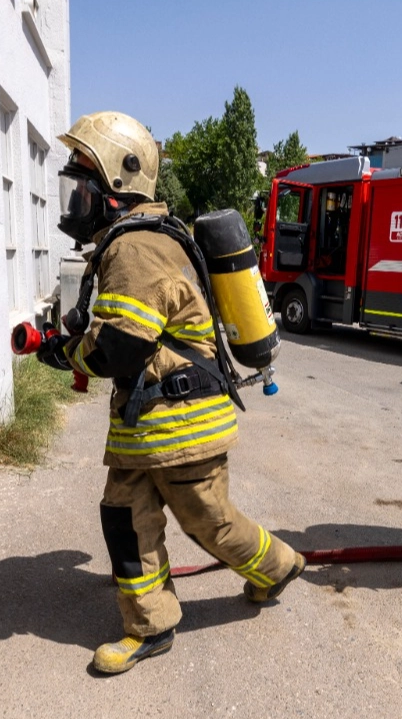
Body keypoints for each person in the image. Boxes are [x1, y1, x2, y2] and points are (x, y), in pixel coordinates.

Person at [37, 111, 305, 673]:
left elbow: (120, 349)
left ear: (117, 184)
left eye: (81, 185)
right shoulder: (128, 241)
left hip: (182, 423)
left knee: (210, 521)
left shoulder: (134, 250)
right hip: (148, 422)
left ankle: (277, 564)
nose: (74, 201)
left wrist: (62, 354)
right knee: (125, 518)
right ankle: (150, 624)